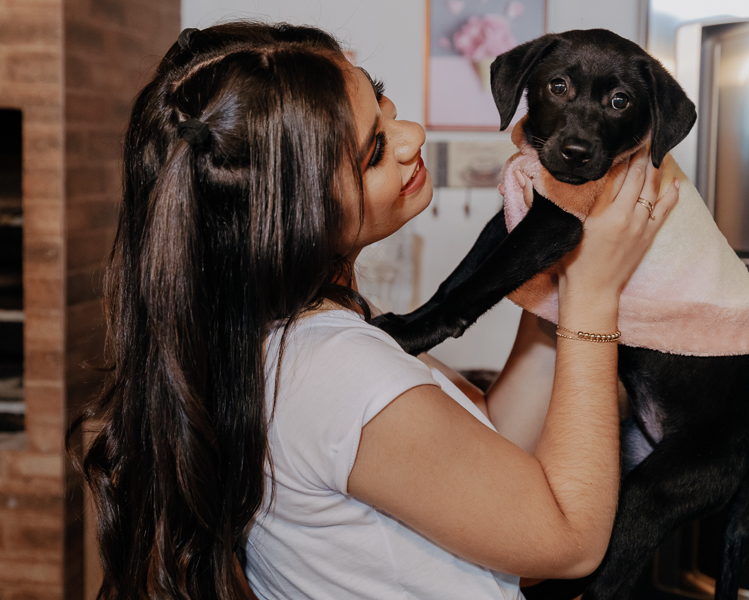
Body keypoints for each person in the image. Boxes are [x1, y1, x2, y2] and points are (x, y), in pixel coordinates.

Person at [71, 22, 679, 600]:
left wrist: (554, 269)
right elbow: (569, 545)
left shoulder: (293, 332)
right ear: (295, 213)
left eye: (382, 103)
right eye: (374, 151)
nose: (411, 134)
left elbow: (494, 441)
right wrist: (595, 299)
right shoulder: (338, 371)